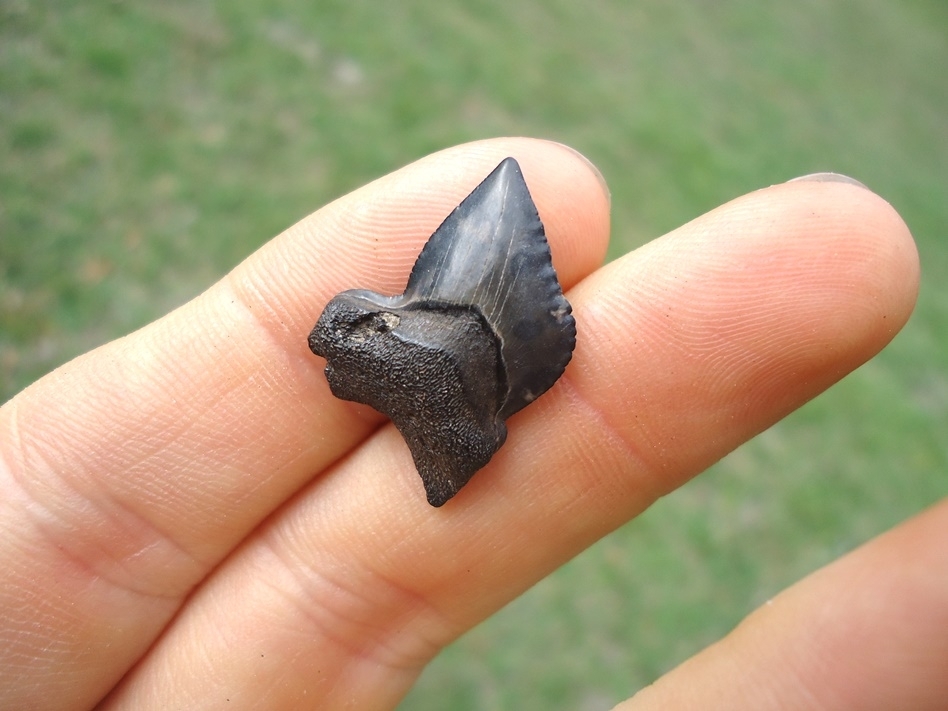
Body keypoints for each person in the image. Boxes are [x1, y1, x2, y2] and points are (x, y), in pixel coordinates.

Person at [0, 138, 940, 710]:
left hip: (471, 367)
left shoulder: (446, 378)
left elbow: (393, 367)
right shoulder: (391, 341)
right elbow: (342, 336)